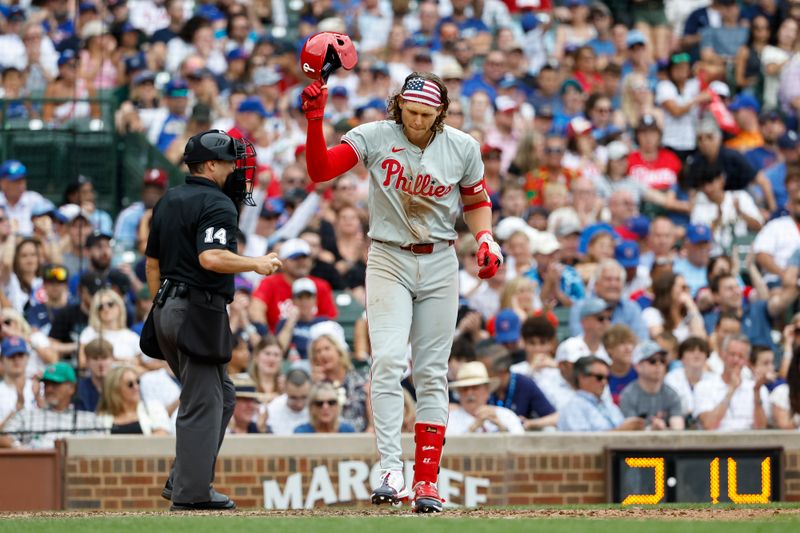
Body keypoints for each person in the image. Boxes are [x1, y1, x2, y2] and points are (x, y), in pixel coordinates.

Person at [301, 71, 501, 512]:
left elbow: (476, 200)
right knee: (389, 360)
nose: (416, 120)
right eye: (410, 111)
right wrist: (316, 119)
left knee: (432, 372)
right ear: (399, 105)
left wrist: (485, 239)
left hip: (441, 259)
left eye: (426, 114)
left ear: (440, 113)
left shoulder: (463, 146)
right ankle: (391, 467)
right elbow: (320, 171)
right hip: (389, 255)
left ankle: (427, 481)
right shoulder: (375, 135)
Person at [144, 129, 282, 511]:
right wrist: (256, 263)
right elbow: (211, 257)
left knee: (222, 395)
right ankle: (192, 494)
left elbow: (151, 262)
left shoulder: (169, 199)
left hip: (167, 309)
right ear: (209, 165)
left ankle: (185, 474)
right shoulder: (218, 203)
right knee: (203, 402)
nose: (236, 169)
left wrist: (158, 308)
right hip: (196, 311)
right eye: (229, 163)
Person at [0, 362, 108, 449]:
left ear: (72, 388)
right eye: (46, 384)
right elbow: (3, 437)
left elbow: (104, 446)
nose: (49, 389)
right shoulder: (26, 416)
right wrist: (20, 448)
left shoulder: (89, 419)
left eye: (55, 384)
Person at [693, 335, 769, 431]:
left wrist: (756, 392)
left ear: (746, 360)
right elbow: (709, 425)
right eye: (732, 354)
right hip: (716, 443)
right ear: (723, 355)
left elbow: (761, 427)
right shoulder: (704, 386)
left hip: (750, 443)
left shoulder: (758, 389)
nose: (735, 360)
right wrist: (731, 390)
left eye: (741, 356)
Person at [557, 355, 646, 432]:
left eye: (607, 378)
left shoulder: (608, 405)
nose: (604, 382)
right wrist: (620, 431)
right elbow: (581, 444)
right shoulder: (574, 407)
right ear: (582, 378)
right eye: (599, 377)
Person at [480, 346, 558, 431]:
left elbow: (555, 417)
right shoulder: (479, 387)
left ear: (502, 371)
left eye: (487, 371)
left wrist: (531, 423)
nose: (482, 375)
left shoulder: (524, 384)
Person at [619, 341, 684, 430]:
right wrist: (651, 429)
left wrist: (663, 430)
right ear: (638, 366)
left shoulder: (672, 394)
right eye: (652, 361)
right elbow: (630, 431)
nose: (658, 365)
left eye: (662, 361)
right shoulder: (628, 395)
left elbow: (678, 431)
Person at [446, 361, 525, 435]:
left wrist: (500, 426)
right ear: (459, 393)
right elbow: (449, 447)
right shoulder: (450, 420)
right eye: (464, 389)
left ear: (487, 391)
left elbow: (521, 444)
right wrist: (473, 427)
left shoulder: (506, 415)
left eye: (475, 387)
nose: (469, 393)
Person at [96, 365, 171, 435]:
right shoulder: (102, 417)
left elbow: (162, 435)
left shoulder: (153, 408)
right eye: (130, 384)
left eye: (138, 382)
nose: (136, 387)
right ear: (115, 389)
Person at [665, 336, 714, 423]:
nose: (697, 354)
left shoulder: (714, 379)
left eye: (701, 351)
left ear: (707, 357)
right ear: (681, 357)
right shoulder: (671, 378)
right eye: (691, 351)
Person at [0, 336, 35, 425]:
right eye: (11, 355)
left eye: (20, 355)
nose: (16, 359)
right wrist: (18, 406)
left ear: (27, 358)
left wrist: (38, 398)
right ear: (2, 360)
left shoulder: (38, 387)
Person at [267, 368, 311, 435]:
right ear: (284, 389)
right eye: (293, 398)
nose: (299, 404)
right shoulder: (272, 410)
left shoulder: (318, 407)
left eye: (304, 397)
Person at [75, 338, 114, 412]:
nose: (100, 364)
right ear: (87, 361)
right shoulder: (78, 387)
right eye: (95, 358)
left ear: (112, 359)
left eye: (104, 358)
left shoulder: (121, 386)